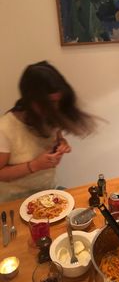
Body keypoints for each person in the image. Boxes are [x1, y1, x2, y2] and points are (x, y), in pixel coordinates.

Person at [0, 61, 95, 202]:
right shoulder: (5, 128)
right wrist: (34, 165)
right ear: (31, 100)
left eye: (58, 101)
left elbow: (57, 138)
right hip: (15, 201)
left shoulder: (49, 118)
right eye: (50, 103)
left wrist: (61, 144)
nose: (55, 108)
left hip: (49, 192)